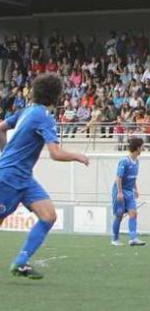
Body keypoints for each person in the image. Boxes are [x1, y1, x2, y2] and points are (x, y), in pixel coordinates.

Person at [0, 73, 90, 279]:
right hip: (9, 178)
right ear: (56, 96)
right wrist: (78, 156)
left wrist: (6, 153)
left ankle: (21, 262)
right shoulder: (45, 118)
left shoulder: (27, 111)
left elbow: (1, 128)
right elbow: (55, 154)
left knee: (49, 216)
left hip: (23, 178)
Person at [111, 138, 147, 246]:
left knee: (133, 213)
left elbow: (133, 178)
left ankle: (133, 238)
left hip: (129, 191)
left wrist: (136, 189)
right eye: (141, 147)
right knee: (119, 215)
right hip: (120, 190)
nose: (143, 149)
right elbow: (118, 177)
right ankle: (115, 239)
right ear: (137, 148)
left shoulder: (137, 162)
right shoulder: (124, 161)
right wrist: (120, 192)